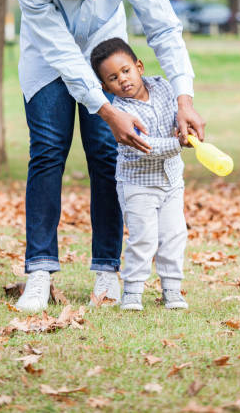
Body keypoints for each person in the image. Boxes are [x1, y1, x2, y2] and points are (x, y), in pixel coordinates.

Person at [14, 0, 205, 313]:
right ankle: (40, 271)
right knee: (49, 152)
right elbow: (64, 54)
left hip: (106, 58)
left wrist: (184, 97)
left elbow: (164, 29)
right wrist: (106, 111)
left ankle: (106, 268)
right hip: (48, 61)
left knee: (107, 157)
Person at [91, 37, 191, 311]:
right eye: (113, 78)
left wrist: (184, 130)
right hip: (138, 186)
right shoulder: (120, 113)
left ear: (139, 66)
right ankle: (132, 293)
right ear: (104, 86)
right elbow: (142, 147)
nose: (122, 80)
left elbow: (176, 117)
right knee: (143, 239)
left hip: (171, 182)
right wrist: (177, 144)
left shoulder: (163, 88)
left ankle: (171, 290)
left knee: (173, 235)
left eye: (126, 71)